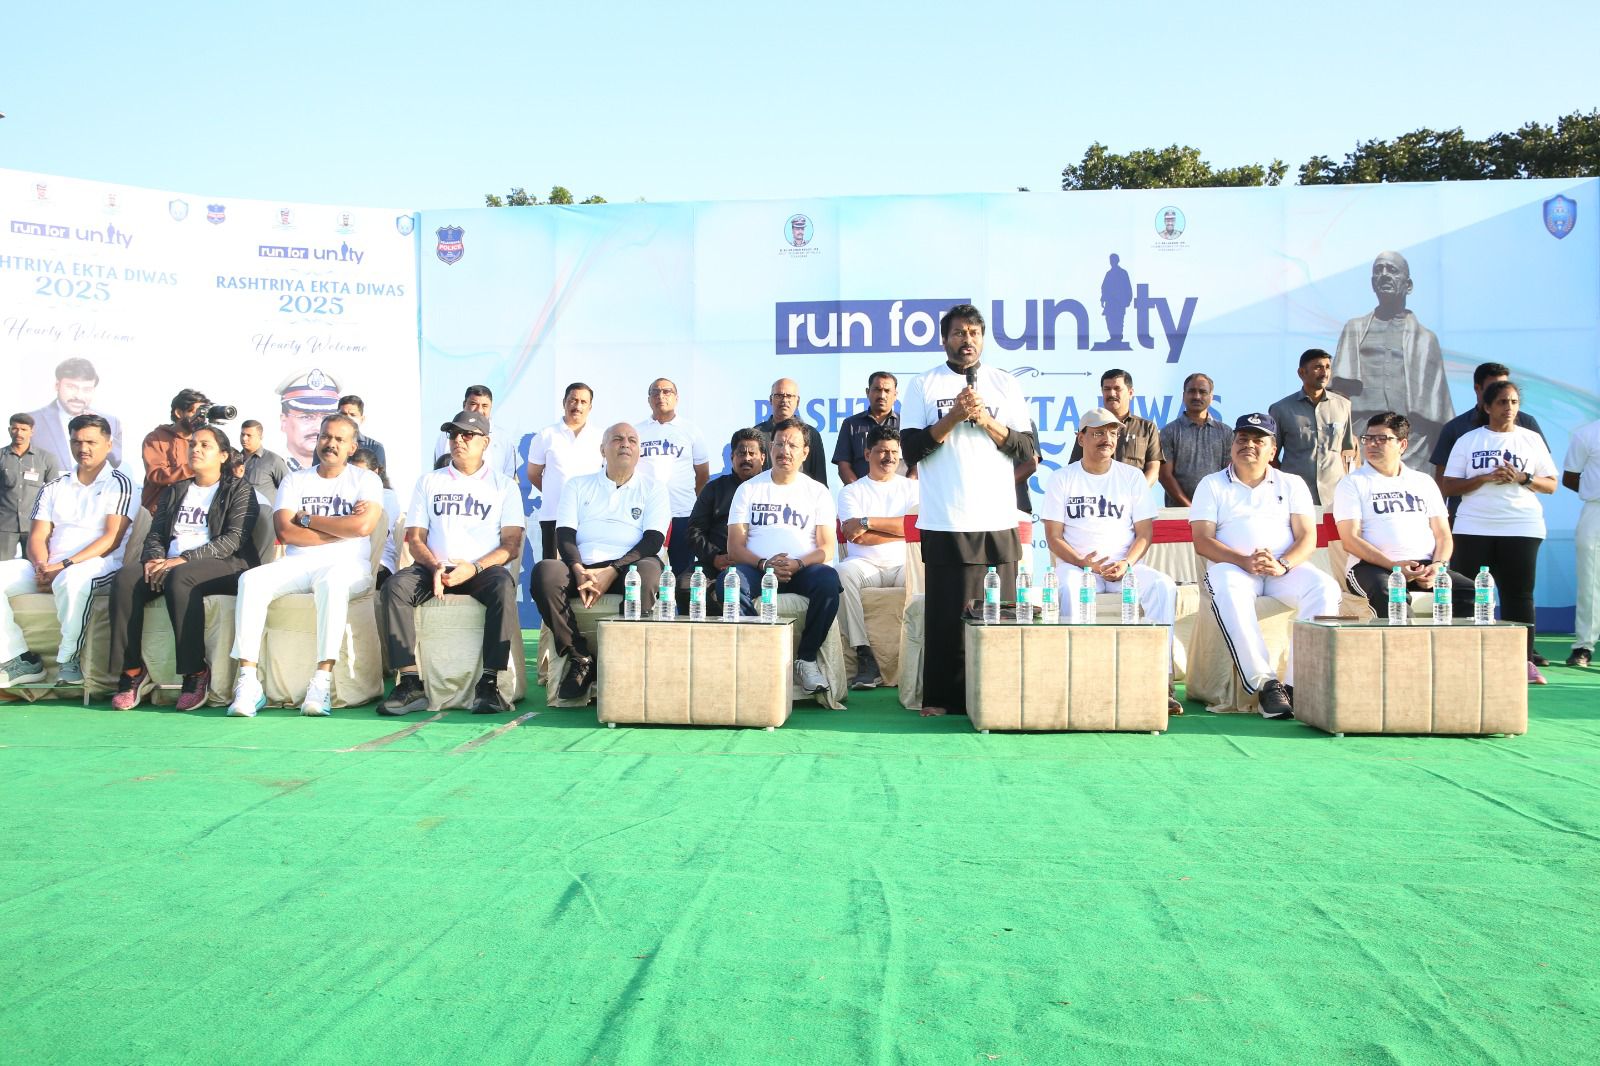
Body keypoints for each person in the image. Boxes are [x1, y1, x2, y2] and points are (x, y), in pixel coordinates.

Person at [900, 304, 1034, 716]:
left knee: (1001, 612)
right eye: (959, 333)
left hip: (996, 516)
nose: (967, 340)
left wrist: (986, 420)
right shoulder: (923, 384)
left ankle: (1001, 696)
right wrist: (954, 416)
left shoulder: (1004, 383)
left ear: (982, 338)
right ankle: (942, 698)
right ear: (945, 339)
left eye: (974, 332)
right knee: (946, 616)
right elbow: (911, 449)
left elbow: (1027, 450)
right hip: (945, 518)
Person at [227, 414, 384, 717]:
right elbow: (285, 531)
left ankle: (321, 682)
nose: (331, 444)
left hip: (349, 565)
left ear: (352, 447)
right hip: (298, 562)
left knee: (332, 582)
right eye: (326, 436)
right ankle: (249, 682)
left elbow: (363, 526)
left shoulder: (366, 480)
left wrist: (308, 519)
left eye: (340, 439)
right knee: (251, 580)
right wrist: (341, 527)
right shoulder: (295, 479)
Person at [1190, 413, 1341, 719]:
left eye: (1258, 440)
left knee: (1324, 587)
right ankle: (1267, 684)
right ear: (1232, 445)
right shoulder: (1212, 484)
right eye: (1242, 439)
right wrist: (1243, 560)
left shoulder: (1292, 483)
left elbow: (1307, 537)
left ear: (1273, 450)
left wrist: (1283, 564)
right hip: (1233, 567)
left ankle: (1299, 685)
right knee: (1226, 586)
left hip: (1282, 569)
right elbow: (1203, 541)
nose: (1249, 445)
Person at [378, 410, 524, 716]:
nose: (459, 440)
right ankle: (409, 683)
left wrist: (474, 567)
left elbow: (511, 544)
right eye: (453, 434)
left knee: (502, 585)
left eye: (468, 435)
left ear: (486, 442)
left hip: (481, 570)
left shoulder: (504, 486)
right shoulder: (430, 481)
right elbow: (415, 538)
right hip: (435, 568)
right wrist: (434, 568)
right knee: (395, 587)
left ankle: (489, 684)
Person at [106, 426, 260, 711]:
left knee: (180, 578)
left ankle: (195, 672)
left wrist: (184, 559)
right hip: (171, 563)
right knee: (126, 578)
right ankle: (130, 672)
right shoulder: (175, 490)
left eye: (205, 445)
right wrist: (153, 558)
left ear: (224, 455)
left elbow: (233, 540)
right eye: (192, 445)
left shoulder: (239, 489)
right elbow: (156, 534)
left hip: (225, 566)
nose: (196, 450)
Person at [1041, 408, 1182, 715]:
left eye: (1113, 433)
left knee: (1164, 587)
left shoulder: (1131, 477)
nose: (1106, 439)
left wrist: (1127, 564)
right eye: (1098, 433)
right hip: (1079, 568)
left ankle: (1161, 684)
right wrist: (1083, 563)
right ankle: (1079, 683)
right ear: (1081, 438)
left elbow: (1145, 533)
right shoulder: (1062, 478)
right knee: (1069, 587)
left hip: (1123, 568)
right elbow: (1053, 537)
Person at [529, 423, 668, 702]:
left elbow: (653, 540)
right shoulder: (578, 485)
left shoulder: (653, 488)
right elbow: (565, 534)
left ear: (640, 451)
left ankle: (626, 664)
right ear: (602, 449)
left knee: (650, 570)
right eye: (617, 439)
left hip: (628, 566)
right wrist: (579, 570)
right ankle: (579, 656)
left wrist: (612, 570)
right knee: (545, 572)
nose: (625, 444)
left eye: (632, 440)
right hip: (582, 566)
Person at [0, 415, 138, 687]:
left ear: (108, 444)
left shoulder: (120, 483)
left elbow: (111, 539)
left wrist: (61, 566)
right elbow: (38, 535)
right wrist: (41, 566)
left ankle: (68, 658)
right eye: (76, 441)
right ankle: (18, 659)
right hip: (49, 567)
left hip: (98, 564)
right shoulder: (54, 486)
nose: (83, 447)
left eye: (91, 442)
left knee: (71, 580)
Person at [1439, 380, 1558, 681]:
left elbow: (1551, 484)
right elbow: (1448, 485)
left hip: (1521, 525)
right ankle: (1464, 661)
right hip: (1473, 526)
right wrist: (1483, 478)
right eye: (1503, 402)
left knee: (1518, 595)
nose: (1509, 408)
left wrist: (1523, 477)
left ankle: (1523, 662)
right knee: (1466, 593)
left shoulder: (1531, 439)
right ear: (1487, 406)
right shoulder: (1468, 440)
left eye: (1514, 402)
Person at [726, 418, 841, 695]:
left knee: (829, 580)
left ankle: (806, 659)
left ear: (805, 453)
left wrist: (798, 563)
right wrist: (765, 565)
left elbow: (827, 547)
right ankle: (758, 656)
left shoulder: (818, 492)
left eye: (792, 444)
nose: (784, 450)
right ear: (771, 447)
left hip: (802, 569)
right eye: (779, 443)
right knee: (729, 583)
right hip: (758, 569)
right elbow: (734, 547)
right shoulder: (749, 489)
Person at [1333, 412, 1475, 620]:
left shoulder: (1423, 481)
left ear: (1402, 445)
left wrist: (1438, 566)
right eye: (1368, 438)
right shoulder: (1353, 482)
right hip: (1372, 567)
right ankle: (1406, 650)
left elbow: (1443, 535)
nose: (1372, 444)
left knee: (1468, 589)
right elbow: (1350, 540)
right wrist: (1394, 566)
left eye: (1382, 439)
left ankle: (1455, 651)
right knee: (1390, 591)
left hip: (1423, 566)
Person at [1332, 251, 1453, 468]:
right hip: (1362, 433)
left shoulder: (1426, 339)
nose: (1384, 275)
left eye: (1392, 270)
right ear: (1372, 283)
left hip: (1412, 438)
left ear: (1408, 285)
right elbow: (1338, 391)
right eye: (1379, 271)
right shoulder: (1355, 328)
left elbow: (1438, 409)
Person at [837, 426, 918, 689]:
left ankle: (918, 656)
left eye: (894, 452)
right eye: (882, 451)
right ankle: (864, 656)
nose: (889, 457)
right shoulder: (852, 491)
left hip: (902, 563)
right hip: (864, 564)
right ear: (867, 453)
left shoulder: (912, 488)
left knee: (924, 577)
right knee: (841, 573)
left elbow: (916, 528)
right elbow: (855, 536)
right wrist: (901, 530)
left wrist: (868, 521)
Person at [1429, 362, 1548, 518]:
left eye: (1504, 385)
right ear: (1477, 389)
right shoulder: (1455, 428)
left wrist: (1521, 478)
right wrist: (1439, 518)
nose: (1501, 392)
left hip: (1517, 517)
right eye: (1494, 387)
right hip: (1467, 519)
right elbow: (1443, 479)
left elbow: (1546, 478)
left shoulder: (1527, 424)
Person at [687, 427, 767, 612]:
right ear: (732, 457)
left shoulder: (772, 489)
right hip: (716, 562)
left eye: (752, 453)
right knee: (686, 586)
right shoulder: (714, 489)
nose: (746, 458)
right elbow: (694, 530)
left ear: (762, 458)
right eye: (741, 453)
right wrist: (715, 557)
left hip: (758, 565)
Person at [636, 378, 710, 575]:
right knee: (648, 570)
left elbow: (702, 474)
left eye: (667, 391)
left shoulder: (691, 430)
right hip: (647, 514)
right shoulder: (637, 431)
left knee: (682, 573)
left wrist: (690, 502)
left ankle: (683, 607)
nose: (661, 396)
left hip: (682, 513)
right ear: (649, 399)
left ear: (676, 398)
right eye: (655, 392)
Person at [1268, 349, 1356, 506]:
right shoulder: (1281, 409)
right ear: (1302, 372)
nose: (1324, 373)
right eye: (1318, 367)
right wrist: (1285, 482)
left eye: (1328, 367)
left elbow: (1348, 451)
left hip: (1335, 498)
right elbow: (1271, 456)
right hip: (1295, 497)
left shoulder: (1343, 405)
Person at [527, 382, 602, 560]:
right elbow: (533, 474)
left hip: (589, 519)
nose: (577, 406)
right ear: (564, 402)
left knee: (586, 570)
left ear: (590, 407)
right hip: (554, 516)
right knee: (553, 574)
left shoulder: (601, 436)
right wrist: (557, 494)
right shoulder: (546, 435)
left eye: (583, 402)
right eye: (573, 400)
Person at [1068, 369, 1162, 485]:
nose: (1112, 394)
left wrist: (1137, 493)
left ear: (1130, 393)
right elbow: (1076, 464)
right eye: (1107, 389)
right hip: (1096, 496)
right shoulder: (1090, 425)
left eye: (1117, 389)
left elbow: (1153, 469)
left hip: (1132, 497)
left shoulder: (1147, 428)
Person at [28, 357, 124, 471]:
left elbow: (119, 462)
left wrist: (104, 432)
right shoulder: (32, 421)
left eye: (87, 389)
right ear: (57, 386)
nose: (78, 396)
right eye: (71, 387)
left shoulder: (111, 422)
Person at [1157, 373, 1230, 506]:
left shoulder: (1225, 432)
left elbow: (1229, 474)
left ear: (1211, 397)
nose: (1197, 396)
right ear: (1184, 395)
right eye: (1192, 391)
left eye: (1202, 392)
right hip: (1179, 514)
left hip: (1216, 511)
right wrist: (1189, 508)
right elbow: (1164, 476)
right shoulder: (1169, 431)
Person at [1563, 415, 1600, 668]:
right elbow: (1569, 477)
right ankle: (1584, 646)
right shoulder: (1587, 433)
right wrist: (1593, 491)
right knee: (1590, 582)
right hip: (1595, 510)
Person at [140, 388, 211, 512]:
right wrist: (194, 468)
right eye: (195, 412)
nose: (200, 417)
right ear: (179, 413)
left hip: (194, 513)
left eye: (203, 413)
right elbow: (156, 475)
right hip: (159, 513)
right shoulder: (156, 438)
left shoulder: (205, 440)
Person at [0, 414, 60, 560]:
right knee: (3, 570)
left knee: (36, 568)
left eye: (23, 429)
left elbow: (56, 493)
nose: (19, 433)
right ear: (9, 430)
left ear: (31, 431)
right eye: (15, 428)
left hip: (36, 527)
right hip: (4, 526)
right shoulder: (1, 456)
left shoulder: (46, 458)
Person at [433, 385, 520, 479]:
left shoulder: (503, 437)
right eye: (473, 404)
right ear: (464, 404)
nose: (479, 410)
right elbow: (439, 470)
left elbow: (509, 476)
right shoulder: (448, 435)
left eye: (485, 406)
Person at [755, 378, 829, 486]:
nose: (784, 400)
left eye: (789, 396)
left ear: (797, 401)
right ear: (770, 400)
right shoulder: (757, 434)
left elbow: (820, 478)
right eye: (779, 395)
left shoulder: (811, 434)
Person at [833, 372, 899, 484]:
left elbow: (916, 465)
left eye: (887, 391)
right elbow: (843, 465)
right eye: (877, 389)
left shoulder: (906, 424)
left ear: (895, 395)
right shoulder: (851, 424)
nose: (882, 395)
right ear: (867, 392)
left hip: (900, 497)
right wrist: (858, 491)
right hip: (862, 497)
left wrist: (905, 491)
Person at [277, 367, 343, 471]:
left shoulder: (344, 468)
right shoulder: (270, 465)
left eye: (326, 417)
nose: (318, 427)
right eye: (306, 417)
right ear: (284, 422)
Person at [350, 449, 400, 587]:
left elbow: (381, 532)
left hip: (379, 562)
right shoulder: (345, 493)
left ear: (376, 472)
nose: (358, 478)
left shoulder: (387, 496)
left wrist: (357, 518)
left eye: (363, 473)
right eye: (354, 473)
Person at [238, 420, 289, 502]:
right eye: (242, 434)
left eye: (249, 435)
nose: (244, 438)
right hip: (236, 512)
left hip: (264, 513)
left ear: (260, 437)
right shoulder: (234, 460)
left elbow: (288, 490)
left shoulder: (273, 460)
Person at [337, 395, 387, 473]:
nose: (347, 418)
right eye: (343, 414)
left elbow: (379, 480)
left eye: (353, 415)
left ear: (362, 419)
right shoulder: (326, 445)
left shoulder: (375, 447)